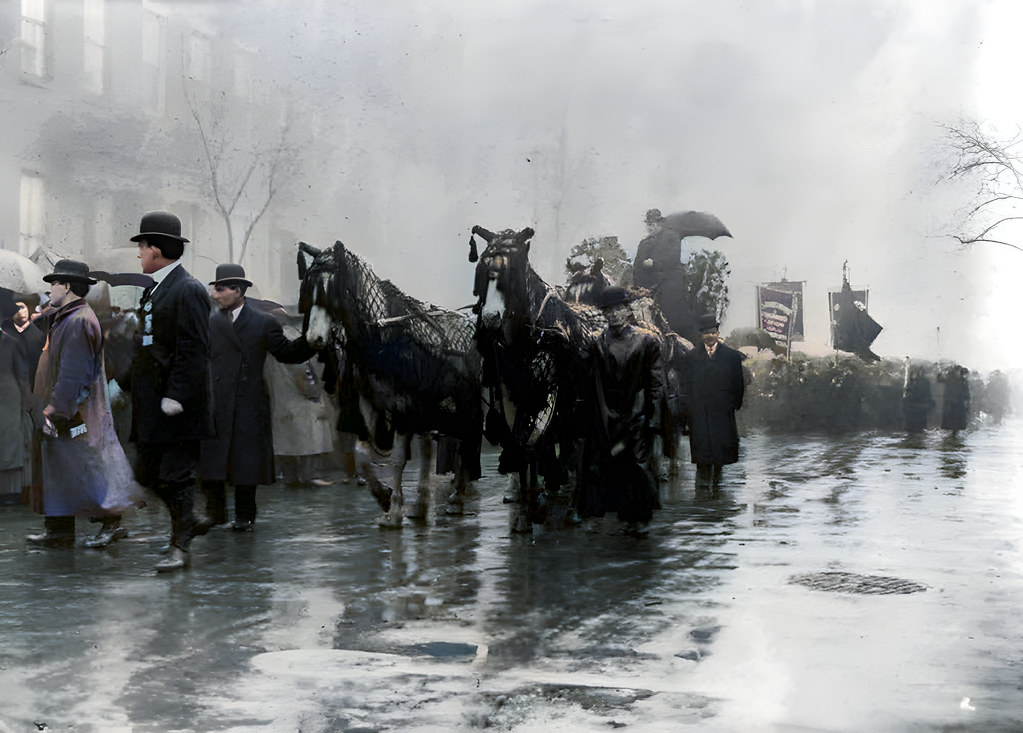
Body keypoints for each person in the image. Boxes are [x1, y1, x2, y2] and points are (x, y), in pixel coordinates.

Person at [25, 260, 144, 548]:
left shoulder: (78, 321)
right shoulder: (69, 316)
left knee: (88, 467)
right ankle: (59, 529)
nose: (49, 289)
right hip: (71, 411)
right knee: (63, 469)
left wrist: (56, 410)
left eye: (53, 283)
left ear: (66, 286)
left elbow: (73, 374)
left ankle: (110, 522)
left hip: (74, 414)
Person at [199, 264, 317, 530]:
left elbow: (287, 353)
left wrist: (312, 340)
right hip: (215, 401)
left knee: (245, 462)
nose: (215, 295)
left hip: (247, 401)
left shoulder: (264, 323)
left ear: (238, 291)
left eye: (220, 289)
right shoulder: (208, 322)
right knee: (212, 460)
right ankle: (215, 515)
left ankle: (245, 517)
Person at [128, 211, 214, 572]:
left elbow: (194, 348)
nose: (139, 254)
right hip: (151, 403)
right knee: (145, 475)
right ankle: (189, 520)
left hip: (177, 405)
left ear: (157, 249)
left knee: (175, 475)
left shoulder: (188, 288)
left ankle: (180, 545)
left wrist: (177, 394)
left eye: (143, 247)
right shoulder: (156, 289)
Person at [577, 286, 663, 532]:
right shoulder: (596, 341)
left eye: (617, 309)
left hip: (636, 410)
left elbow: (656, 382)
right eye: (607, 310)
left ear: (627, 310)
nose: (613, 314)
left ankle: (638, 518)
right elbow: (581, 371)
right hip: (606, 412)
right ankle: (613, 514)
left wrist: (653, 414)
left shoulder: (646, 340)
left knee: (637, 464)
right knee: (605, 463)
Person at [680, 313, 745, 486]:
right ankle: (702, 483)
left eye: (713, 332)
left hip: (722, 408)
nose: (710, 336)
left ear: (717, 333)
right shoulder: (691, 357)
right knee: (702, 444)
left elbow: (738, 383)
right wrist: (688, 409)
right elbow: (686, 385)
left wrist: (733, 405)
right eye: (706, 332)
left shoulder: (731, 356)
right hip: (699, 410)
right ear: (701, 335)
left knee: (720, 445)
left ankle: (717, 479)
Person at [0, 291, 35, 504]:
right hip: (9, 394)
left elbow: (22, 373)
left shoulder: (10, 341)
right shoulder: (11, 340)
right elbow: (22, 373)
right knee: (10, 441)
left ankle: (10, 493)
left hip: (8, 396)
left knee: (9, 440)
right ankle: (10, 493)